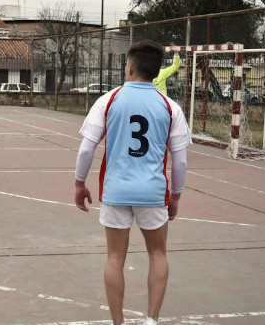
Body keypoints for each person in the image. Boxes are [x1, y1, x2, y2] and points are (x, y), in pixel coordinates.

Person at [73, 39, 191, 325]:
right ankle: (151, 320)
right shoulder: (169, 106)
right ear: (156, 71)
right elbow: (181, 161)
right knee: (158, 254)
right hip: (152, 191)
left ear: (129, 68)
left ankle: (118, 322)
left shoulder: (109, 99)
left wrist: (79, 183)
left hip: (116, 190)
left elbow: (87, 149)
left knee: (115, 258)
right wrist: (175, 195)